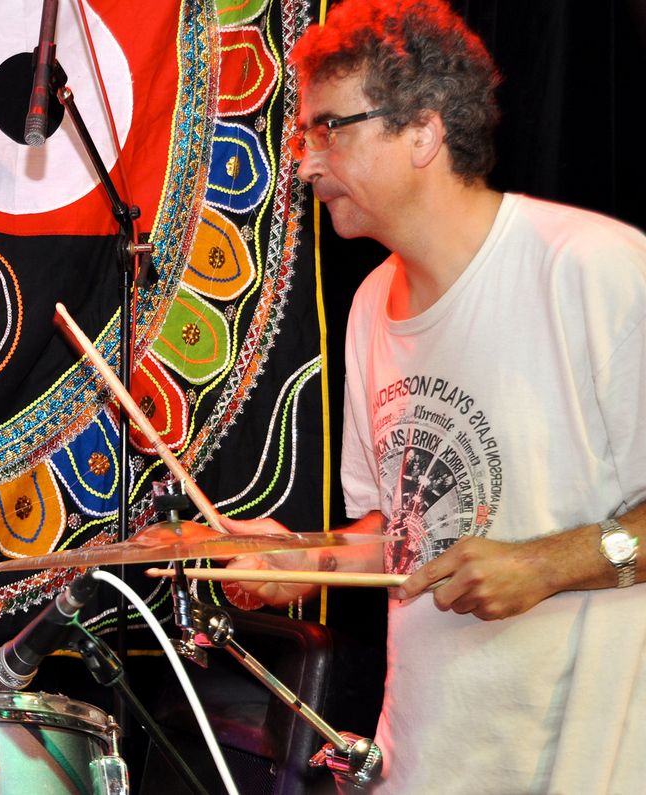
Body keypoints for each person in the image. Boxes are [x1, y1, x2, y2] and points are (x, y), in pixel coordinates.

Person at [225, 0, 646, 791]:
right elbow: (407, 533)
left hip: (580, 766)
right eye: (303, 136)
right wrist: (309, 559)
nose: (305, 165)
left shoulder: (595, 270)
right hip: (422, 761)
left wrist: (547, 564)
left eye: (329, 130)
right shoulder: (371, 304)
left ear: (422, 130)